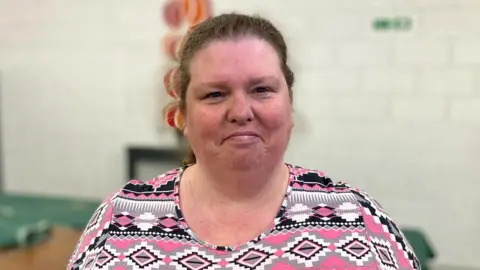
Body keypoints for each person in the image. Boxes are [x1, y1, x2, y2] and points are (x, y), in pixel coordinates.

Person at [68, 13, 420, 269]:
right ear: (183, 116)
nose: (241, 111)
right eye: (215, 94)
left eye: (262, 89)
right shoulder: (119, 219)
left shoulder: (357, 220)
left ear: (290, 105)